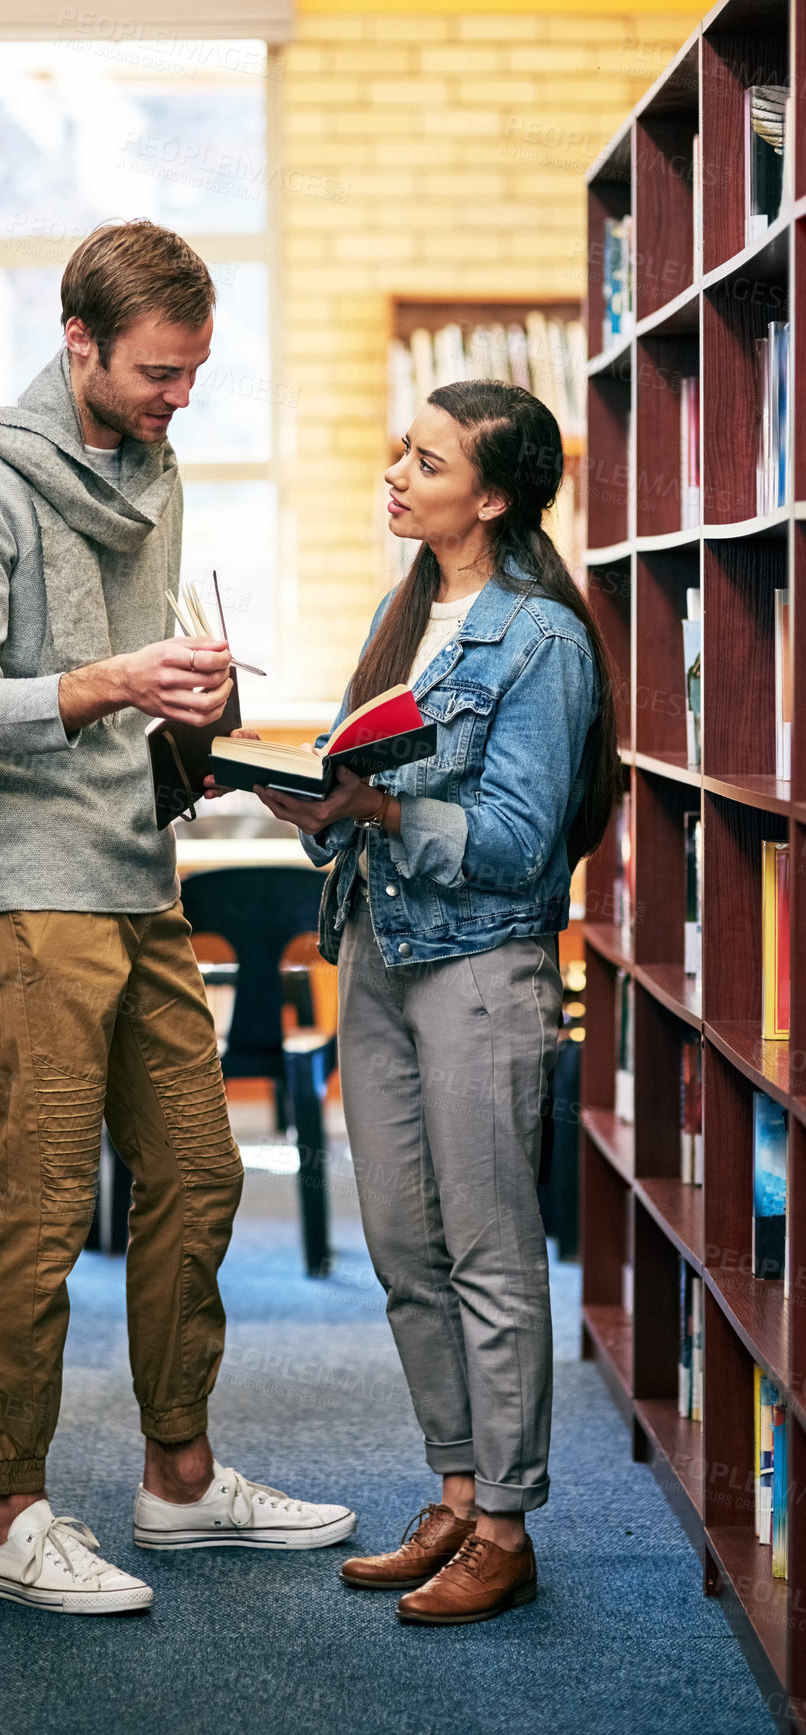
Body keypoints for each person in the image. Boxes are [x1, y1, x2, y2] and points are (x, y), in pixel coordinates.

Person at [0, 220, 356, 1617]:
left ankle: (176, 1472)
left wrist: (211, 728)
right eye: (156, 370)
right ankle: (6, 1509)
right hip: (28, 887)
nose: (176, 397)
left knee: (201, 1171)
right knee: (37, 1201)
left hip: (138, 869)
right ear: (77, 342)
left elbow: (132, 708)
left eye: (194, 371)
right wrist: (110, 679)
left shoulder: (153, 469)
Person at [248, 381, 619, 1626]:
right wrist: (316, 803)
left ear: (495, 496)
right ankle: (454, 1494)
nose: (395, 475)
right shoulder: (407, 610)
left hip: (478, 969)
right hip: (377, 954)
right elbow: (367, 772)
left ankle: (506, 1527)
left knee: (489, 1252)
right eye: (399, 452)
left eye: (426, 461)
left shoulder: (542, 640)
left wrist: (380, 810)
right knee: (403, 1248)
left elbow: (521, 841)